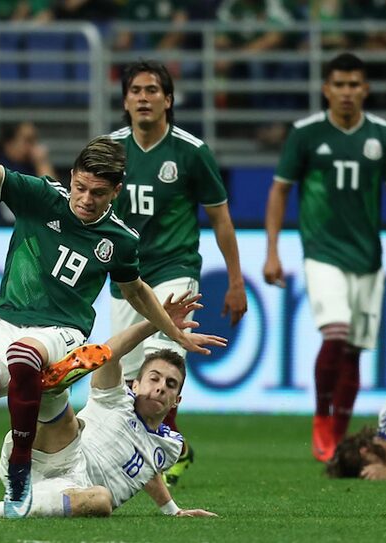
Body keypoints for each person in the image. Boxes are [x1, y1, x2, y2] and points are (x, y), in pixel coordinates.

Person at [0, 108, 216, 518]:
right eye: (79, 187)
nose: (85, 200)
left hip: (62, 331)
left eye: (97, 193)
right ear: (70, 178)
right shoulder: (40, 196)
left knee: (25, 356)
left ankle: (19, 471)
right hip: (3, 320)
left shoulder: (121, 241)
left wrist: (175, 334)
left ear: (116, 191)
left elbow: (136, 291)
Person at [262, 52, 386, 463]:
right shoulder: (306, 133)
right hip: (322, 251)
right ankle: (321, 415)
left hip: (367, 256)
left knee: (354, 350)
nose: (347, 92)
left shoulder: (384, 135)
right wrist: (272, 250)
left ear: (365, 89)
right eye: (339, 85)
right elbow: (279, 191)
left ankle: (339, 434)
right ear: (326, 89)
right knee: (337, 333)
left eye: (354, 85)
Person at [108, 60, 248, 487]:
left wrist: (236, 280)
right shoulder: (109, 150)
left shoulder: (191, 152)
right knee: (130, 380)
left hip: (175, 270)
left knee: (163, 362)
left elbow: (221, 219)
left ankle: (161, 457)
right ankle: (164, 447)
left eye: (153, 90)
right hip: (127, 278)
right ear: (126, 101)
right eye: (136, 91)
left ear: (168, 100)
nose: (144, 98)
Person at [0, 292, 223, 517]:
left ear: (176, 401)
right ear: (136, 385)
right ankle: (48, 389)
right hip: (46, 455)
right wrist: (156, 322)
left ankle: (0, 508)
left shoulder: (170, 446)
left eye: (171, 384)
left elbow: (147, 470)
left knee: (102, 500)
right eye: (154, 378)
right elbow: (109, 354)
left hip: (73, 491)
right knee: (71, 426)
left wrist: (173, 510)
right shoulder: (115, 399)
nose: (161, 387)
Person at [0, 121, 56, 223]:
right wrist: (42, 163)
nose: (34, 147)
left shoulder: (30, 167)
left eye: (35, 141)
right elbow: (53, 200)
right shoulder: (1, 170)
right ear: (9, 144)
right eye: (28, 141)